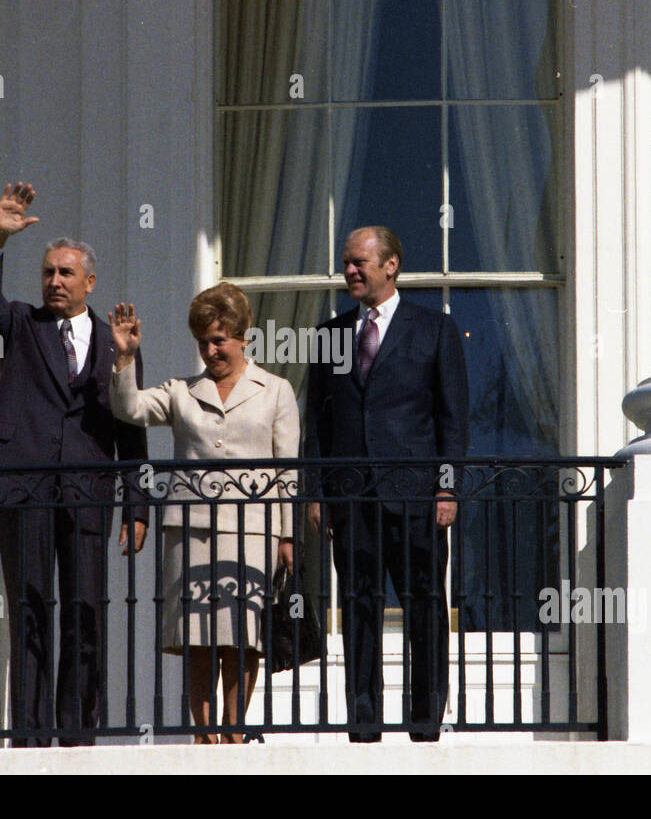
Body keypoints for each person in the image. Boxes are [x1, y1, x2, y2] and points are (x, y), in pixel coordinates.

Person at [0, 182, 149, 747]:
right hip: (27, 489)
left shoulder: (119, 344)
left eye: (66, 274)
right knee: (30, 609)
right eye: (48, 273)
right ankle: (32, 736)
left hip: (89, 492)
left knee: (86, 611)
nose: (55, 282)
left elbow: (130, 427)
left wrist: (136, 506)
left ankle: (77, 736)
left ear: (90, 282)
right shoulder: (20, 326)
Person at [108, 283, 299, 744]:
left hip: (253, 528)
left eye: (220, 339)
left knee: (241, 636)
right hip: (189, 528)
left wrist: (288, 536)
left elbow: (288, 469)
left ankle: (234, 730)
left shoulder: (275, 390)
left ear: (243, 336)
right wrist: (126, 358)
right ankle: (205, 733)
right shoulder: (181, 391)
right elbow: (128, 407)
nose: (211, 350)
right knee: (196, 637)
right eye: (203, 341)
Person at [304, 225, 469, 742]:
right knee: (357, 604)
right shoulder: (330, 335)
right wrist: (318, 493)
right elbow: (318, 423)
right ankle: (364, 722)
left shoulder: (434, 329)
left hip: (416, 496)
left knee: (424, 604)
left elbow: (452, 417)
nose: (350, 271)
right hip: (353, 498)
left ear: (391, 264)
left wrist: (448, 487)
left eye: (359, 262)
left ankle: (425, 720)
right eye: (346, 263)